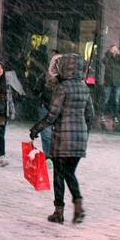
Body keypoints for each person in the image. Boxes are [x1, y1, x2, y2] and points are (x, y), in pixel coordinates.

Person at [29, 53, 94, 224]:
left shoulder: (62, 88)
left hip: (62, 139)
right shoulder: (84, 88)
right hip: (79, 140)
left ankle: (59, 211)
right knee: (69, 173)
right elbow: (90, 116)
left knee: (59, 174)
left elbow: (52, 116)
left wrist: (36, 129)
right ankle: (78, 205)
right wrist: (84, 133)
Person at [101, 45, 120, 123]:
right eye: (113, 49)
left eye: (116, 49)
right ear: (110, 49)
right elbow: (104, 61)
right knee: (106, 99)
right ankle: (102, 115)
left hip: (117, 82)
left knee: (116, 100)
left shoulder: (119, 58)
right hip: (109, 81)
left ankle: (115, 116)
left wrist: (119, 55)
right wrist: (110, 54)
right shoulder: (107, 56)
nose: (115, 50)